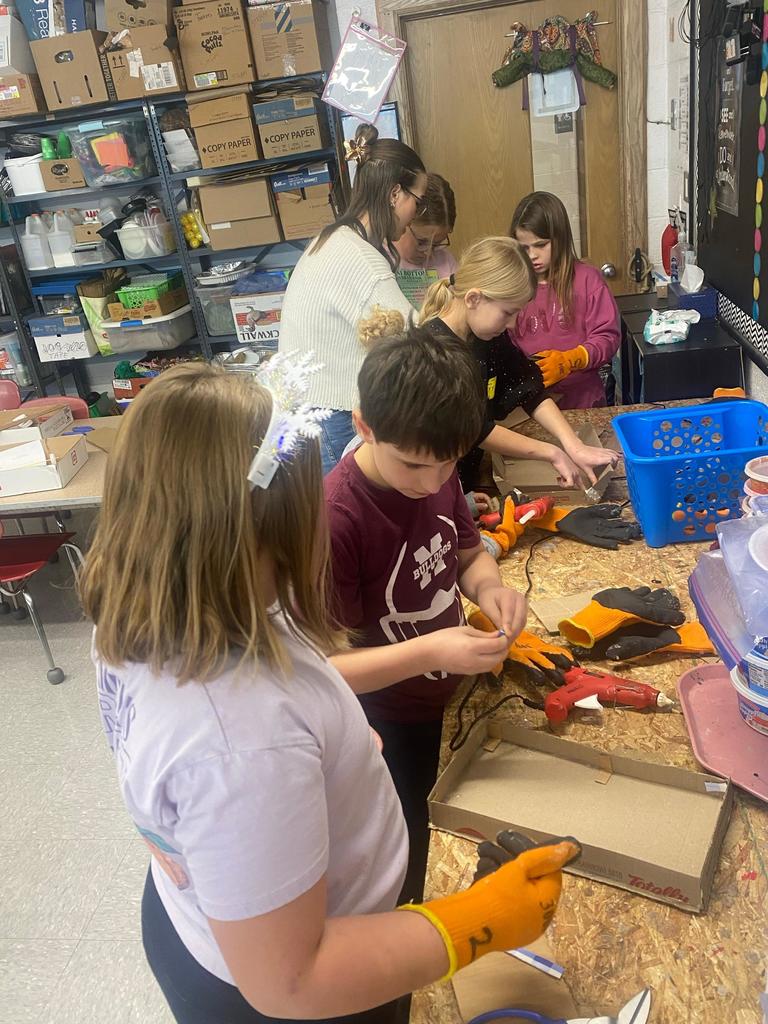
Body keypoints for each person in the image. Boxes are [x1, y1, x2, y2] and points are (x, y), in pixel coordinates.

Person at [78, 360, 577, 1024]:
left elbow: (182, 784)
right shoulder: (240, 742)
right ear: (271, 532)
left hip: (216, 917)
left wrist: (327, 739)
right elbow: (294, 978)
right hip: (296, 989)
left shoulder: (164, 600)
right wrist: (477, 923)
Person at [325, 329, 528, 904]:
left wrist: (491, 588)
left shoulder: (434, 464)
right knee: (408, 859)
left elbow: (466, 554)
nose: (434, 483)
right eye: (415, 466)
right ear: (364, 425)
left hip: (453, 691)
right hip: (386, 721)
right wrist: (434, 652)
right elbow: (323, 669)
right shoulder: (335, 520)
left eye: (450, 465)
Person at [418, 235, 619, 492]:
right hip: (429, 488)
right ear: (473, 299)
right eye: (508, 313)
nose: (512, 324)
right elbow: (475, 430)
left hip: (465, 483)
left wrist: (573, 445)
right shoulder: (434, 351)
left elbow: (529, 388)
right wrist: (552, 453)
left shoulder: (487, 336)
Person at [279, 124, 426, 474]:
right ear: (395, 195)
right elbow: (414, 340)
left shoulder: (333, 239)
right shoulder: (359, 259)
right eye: (417, 203)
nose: (414, 218)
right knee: (347, 519)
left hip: (311, 412)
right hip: (334, 416)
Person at [510, 191, 621, 409]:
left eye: (541, 245)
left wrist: (572, 359)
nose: (532, 255)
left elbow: (607, 338)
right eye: (524, 247)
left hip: (583, 402)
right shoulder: (513, 286)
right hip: (529, 406)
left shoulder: (587, 279)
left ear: (560, 238)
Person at [391, 173, 458, 306]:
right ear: (404, 222)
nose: (428, 253)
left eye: (437, 244)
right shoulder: (381, 260)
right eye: (422, 241)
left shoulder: (446, 262)